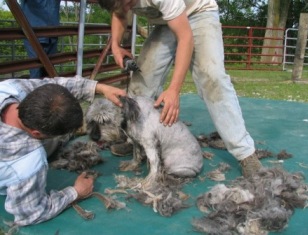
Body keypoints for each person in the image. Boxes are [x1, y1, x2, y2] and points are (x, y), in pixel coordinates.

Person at [98, 0, 262, 177]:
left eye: (129, 3)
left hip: (198, 13)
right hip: (166, 22)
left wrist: (174, 90)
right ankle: (136, 140)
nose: (127, 10)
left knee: (212, 78)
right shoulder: (120, 3)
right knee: (141, 82)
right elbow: (119, 13)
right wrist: (115, 44)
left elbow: (185, 37)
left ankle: (245, 153)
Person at [0, 75, 126, 226]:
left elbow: (54, 85)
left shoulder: (9, 88)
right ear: (36, 134)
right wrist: (76, 192)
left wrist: (100, 87)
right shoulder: (27, 161)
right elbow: (30, 213)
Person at [20, 0, 61, 78]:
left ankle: (46, 88)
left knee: (49, 70)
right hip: (34, 32)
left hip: (52, 34)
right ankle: (36, 89)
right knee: (36, 70)